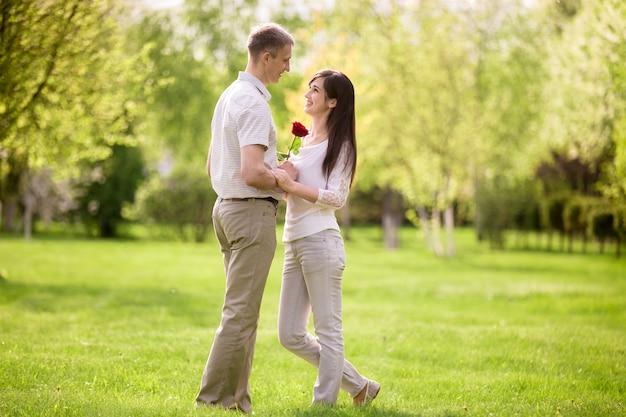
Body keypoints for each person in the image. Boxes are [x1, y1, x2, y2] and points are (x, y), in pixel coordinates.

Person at [196, 23, 297, 414]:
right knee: (240, 314)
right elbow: (253, 173)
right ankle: (212, 400)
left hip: (226, 211)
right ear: (266, 56)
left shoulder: (228, 96)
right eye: (285, 59)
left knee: (243, 313)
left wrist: (271, 167)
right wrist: (282, 178)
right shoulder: (253, 103)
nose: (288, 68)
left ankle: (238, 401)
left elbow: (212, 167)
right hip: (250, 213)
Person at [271, 69, 380, 406]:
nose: (308, 94)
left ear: (333, 101)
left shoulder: (341, 145)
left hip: (321, 242)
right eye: (309, 89)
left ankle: (323, 406)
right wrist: (285, 182)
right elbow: (299, 197)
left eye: (315, 90)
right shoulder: (304, 144)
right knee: (289, 333)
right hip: (295, 243)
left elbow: (337, 197)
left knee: (328, 331)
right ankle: (360, 385)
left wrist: (291, 185)